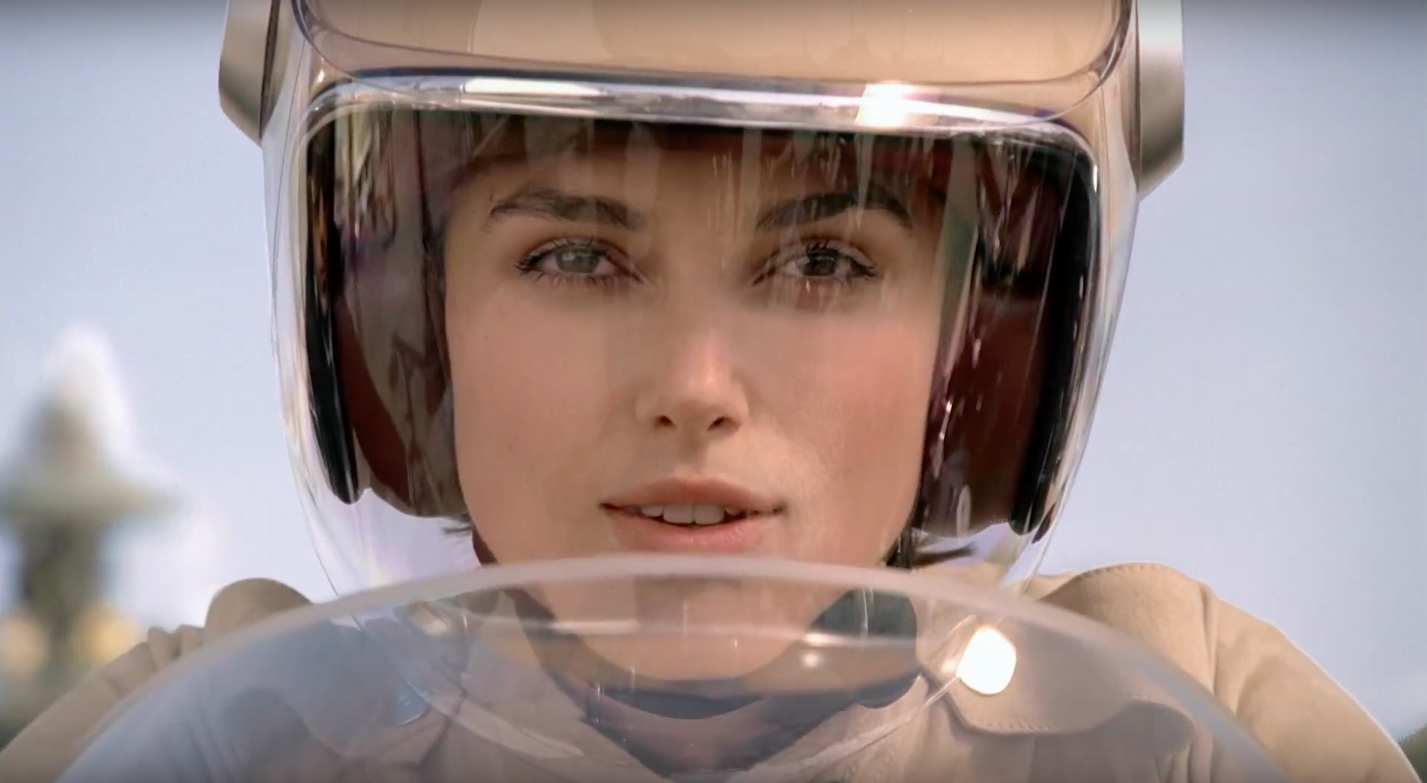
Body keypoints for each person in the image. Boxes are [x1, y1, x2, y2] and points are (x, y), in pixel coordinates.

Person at [0, 1, 1417, 781]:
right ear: (404, 341)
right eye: (572, 256)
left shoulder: (1174, 731)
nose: (693, 388)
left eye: (822, 260)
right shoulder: (230, 742)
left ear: (977, 358)